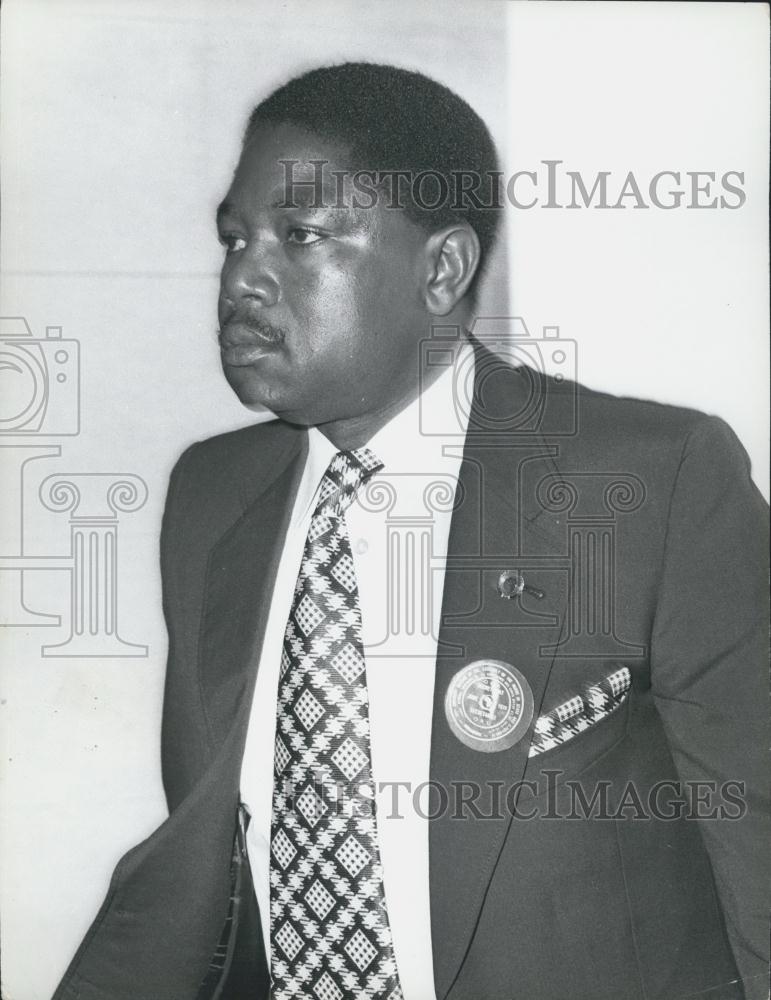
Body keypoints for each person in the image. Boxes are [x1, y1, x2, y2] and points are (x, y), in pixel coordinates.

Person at [53, 62, 768, 1000]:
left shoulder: (650, 479)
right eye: (233, 239)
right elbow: (210, 856)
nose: (242, 277)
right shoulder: (209, 495)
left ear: (440, 270)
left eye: (299, 236)